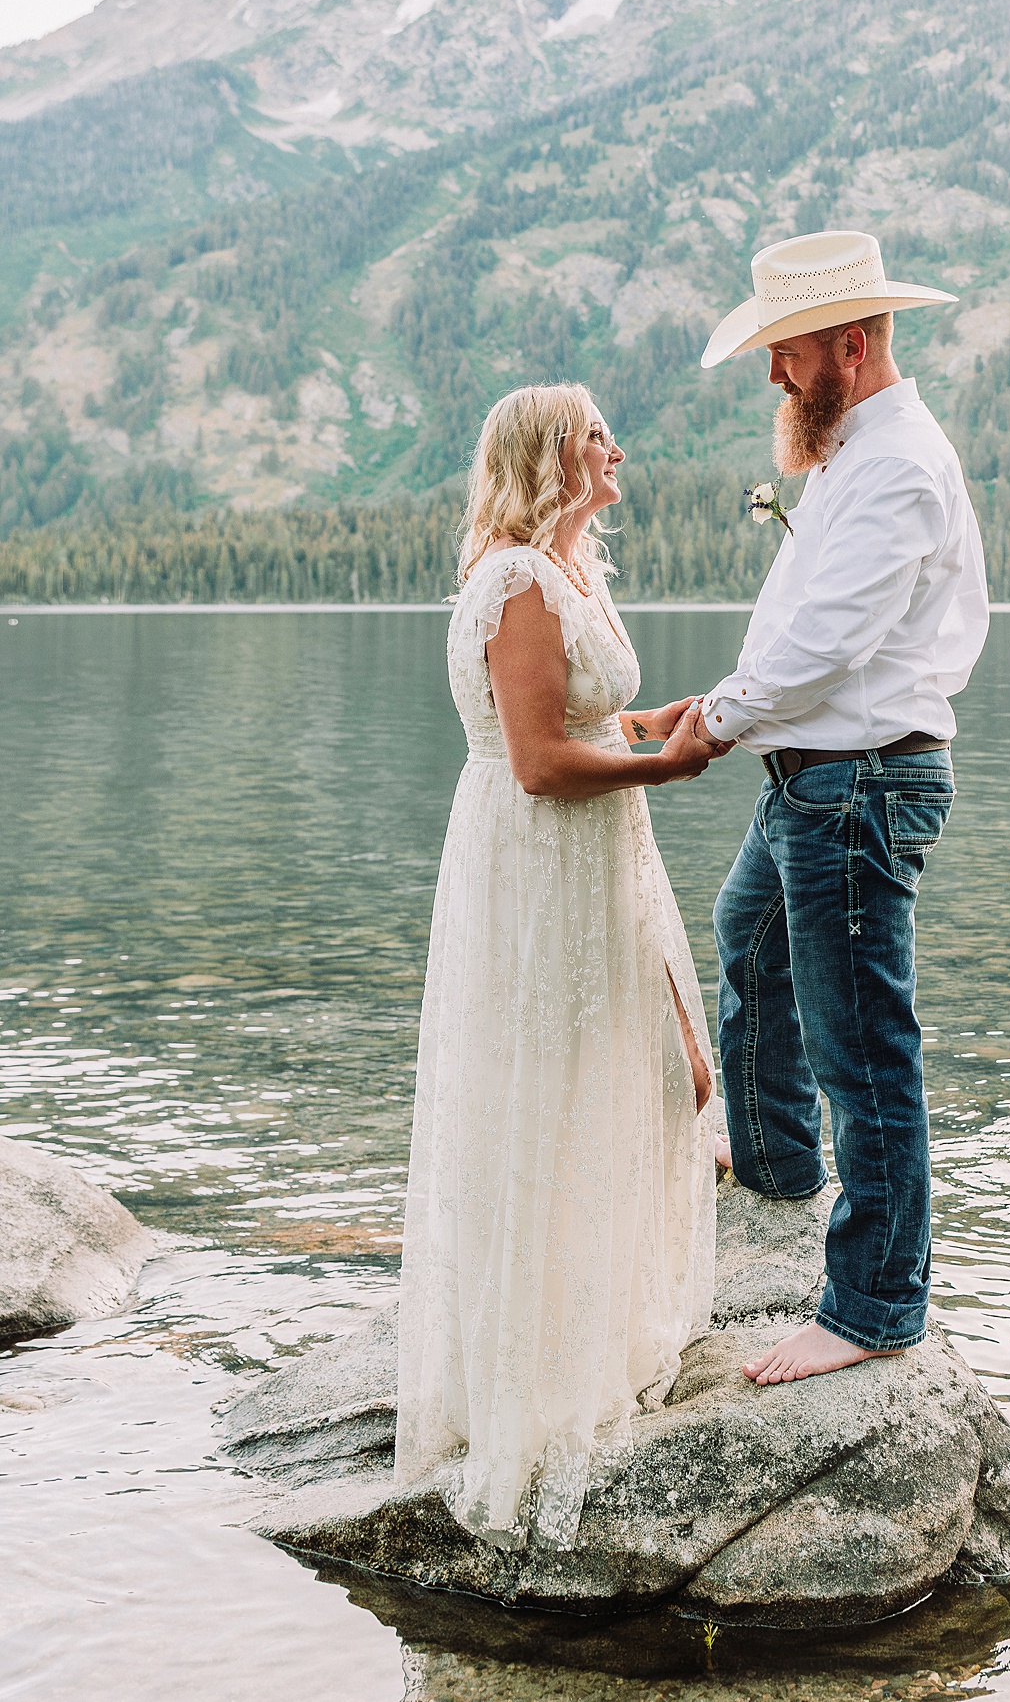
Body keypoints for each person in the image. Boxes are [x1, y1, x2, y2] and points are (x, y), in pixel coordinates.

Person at [395, 382, 724, 1548]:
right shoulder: (514, 581)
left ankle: (594, 1332)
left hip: (601, 861)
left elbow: (587, 724)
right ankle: (532, 1381)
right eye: (597, 436)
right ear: (549, 456)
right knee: (547, 1095)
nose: (617, 449)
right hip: (538, 866)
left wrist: (666, 723)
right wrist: (668, 774)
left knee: (656, 1077)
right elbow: (536, 761)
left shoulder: (576, 570)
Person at [692, 229, 990, 1385]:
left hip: (856, 784)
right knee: (748, 939)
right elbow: (799, 631)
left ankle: (872, 1307)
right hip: (816, 773)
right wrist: (722, 704)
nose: (774, 376)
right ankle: (770, 1157)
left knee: (864, 1050)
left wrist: (716, 725)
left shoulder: (899, 465)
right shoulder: (851, 457)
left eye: (788, 354)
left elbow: (829, 643)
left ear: (851, 350)